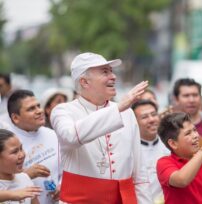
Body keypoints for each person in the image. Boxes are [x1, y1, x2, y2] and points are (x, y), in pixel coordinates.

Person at [50, 52, 151, 203]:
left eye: (111, 71)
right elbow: (71, 136)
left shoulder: (127, 113)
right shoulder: (63, 111)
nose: (113, 76)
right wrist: (117, 109)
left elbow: (139, 172)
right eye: (105, 72)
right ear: (84, 82)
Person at [156, 112, 202, 203]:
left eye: (195, 130)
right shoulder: (164, 163)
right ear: (173, 143)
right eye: (188, 133)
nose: (196, 136)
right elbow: (182, 180)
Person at [7, 90, 60, 204]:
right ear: (16, 118)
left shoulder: (52, 134)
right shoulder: (7, 142)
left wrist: (62, 185)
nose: (39, 111)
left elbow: (66, 168)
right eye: (31, 109)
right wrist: (26, 175)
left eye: (38, 106)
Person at [131, 99, 170, 203]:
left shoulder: (170, 145)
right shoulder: (129, 150)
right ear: (134, 121)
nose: (151, 119)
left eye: (154, 114)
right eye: (144, 117)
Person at [0, 129, 42, 204]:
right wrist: (11, 195)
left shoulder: (24, 178)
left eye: (21, 148)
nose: (22, 155)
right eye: (14, 152)